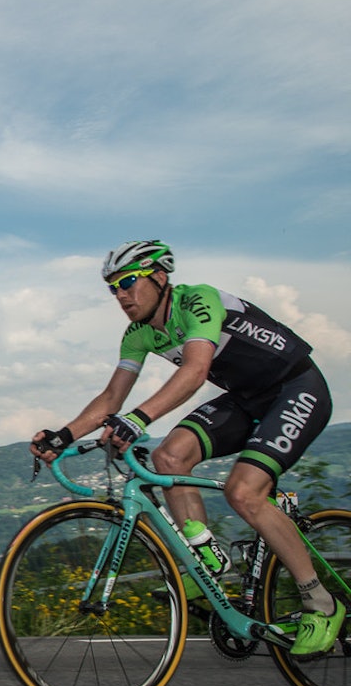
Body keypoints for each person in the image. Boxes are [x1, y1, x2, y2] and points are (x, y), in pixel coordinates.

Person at [30, 240, 341, 659]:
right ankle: (206, 560)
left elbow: (195, 371)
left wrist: (138, 420)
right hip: (247, 398)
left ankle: (321, 602)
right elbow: (110, 399)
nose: (121, 295)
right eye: (113, 288)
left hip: (296, 388)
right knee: (169, 457)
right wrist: (61, 438)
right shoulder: (139, 334)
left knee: (243, 492)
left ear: (160, 276)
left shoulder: (198, 300)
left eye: (128, 282)